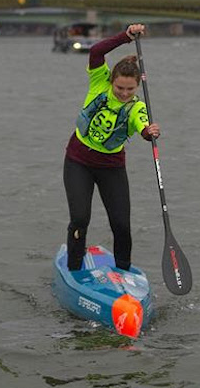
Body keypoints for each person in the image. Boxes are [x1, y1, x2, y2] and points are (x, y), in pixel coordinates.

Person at [62, 23, 160, 272]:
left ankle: (123, 272)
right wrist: (125, 36)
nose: (124, 93)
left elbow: (143, 126)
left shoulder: (137, 106)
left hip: (111, 168)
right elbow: (96, 51)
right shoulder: (99, 82)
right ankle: (74, 270)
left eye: (130, 89)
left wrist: (149, 133)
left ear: (137, 86)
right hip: (78, 162)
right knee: (80, 219)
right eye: (119, 88)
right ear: (111, 81)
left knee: (121, 225)